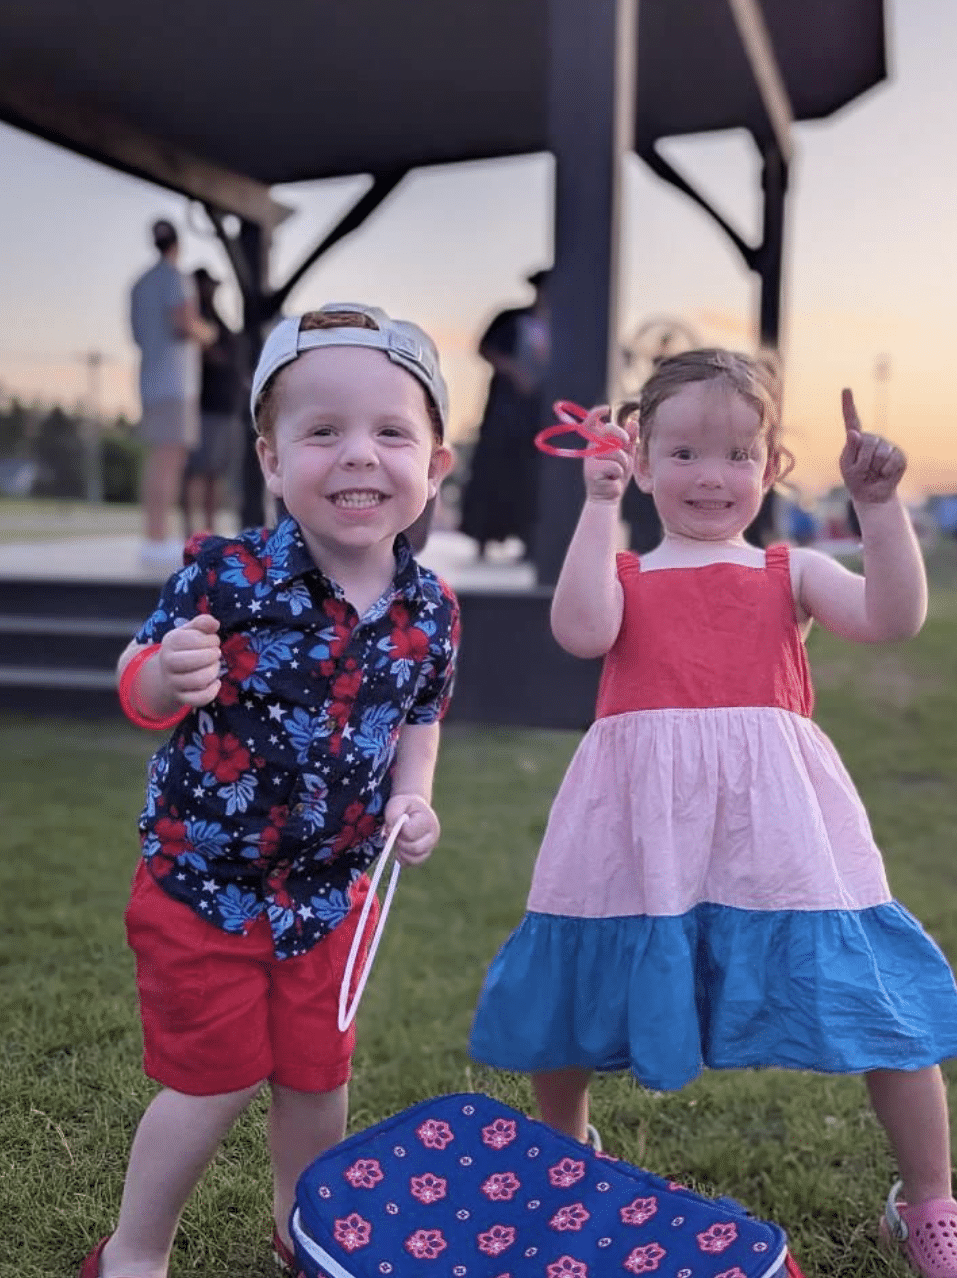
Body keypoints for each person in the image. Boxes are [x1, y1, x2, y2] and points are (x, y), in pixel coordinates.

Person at [470, 349, 957, 1278]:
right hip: (636, 825)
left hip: (775, 831)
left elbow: (892, 617)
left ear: (770, 469)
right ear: (643, 461)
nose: (711, 476)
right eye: (684, 453)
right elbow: (579, 631)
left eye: (737, 454)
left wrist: (879, 508)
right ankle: (571, 1165)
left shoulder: (792, 569)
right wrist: (596, 502)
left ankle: (928, 1198)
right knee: (575, 985)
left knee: (879, 1004)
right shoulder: (621, 570)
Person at [80, 304, 459, 1278]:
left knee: (315, 1080)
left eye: (390, 433)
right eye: (322, 431)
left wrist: (415, 798)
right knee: (213, 1084)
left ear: (436, 466)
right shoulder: (223, 575)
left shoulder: (432, 610)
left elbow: (422, 718)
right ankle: (133, 1251)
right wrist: (166, 677)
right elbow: (135, 683)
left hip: (333, 897)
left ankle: (309, 1236)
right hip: (203, 889)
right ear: (272, 459)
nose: (357, 457)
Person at [130, 219, 215, 565]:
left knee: (162, 458)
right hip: (175, 383)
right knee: (168, 460)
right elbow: (184, 324)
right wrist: (208, 334)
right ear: (177, 245)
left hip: (151, 379)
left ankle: (155, 534)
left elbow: (137, 335)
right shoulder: (175, 278)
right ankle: (156, 537)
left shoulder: (139, 284)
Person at [459, 269, 550, 558]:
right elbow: (485, 348)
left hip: (540, 414)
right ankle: (483, 539)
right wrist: (514, 371)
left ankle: (528, 542)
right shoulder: (512, 318)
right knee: (494, 471)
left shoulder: (566, 326)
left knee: (531, 478)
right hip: (505, 409)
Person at [180, 267, 244, 537]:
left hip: (224, 406)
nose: (212, 290)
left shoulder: (215, 317)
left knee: (214, 472)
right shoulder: (196, 319)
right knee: (195, 472)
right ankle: (191, 531)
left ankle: (208, 530)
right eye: (208, 286)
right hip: (203, 407)